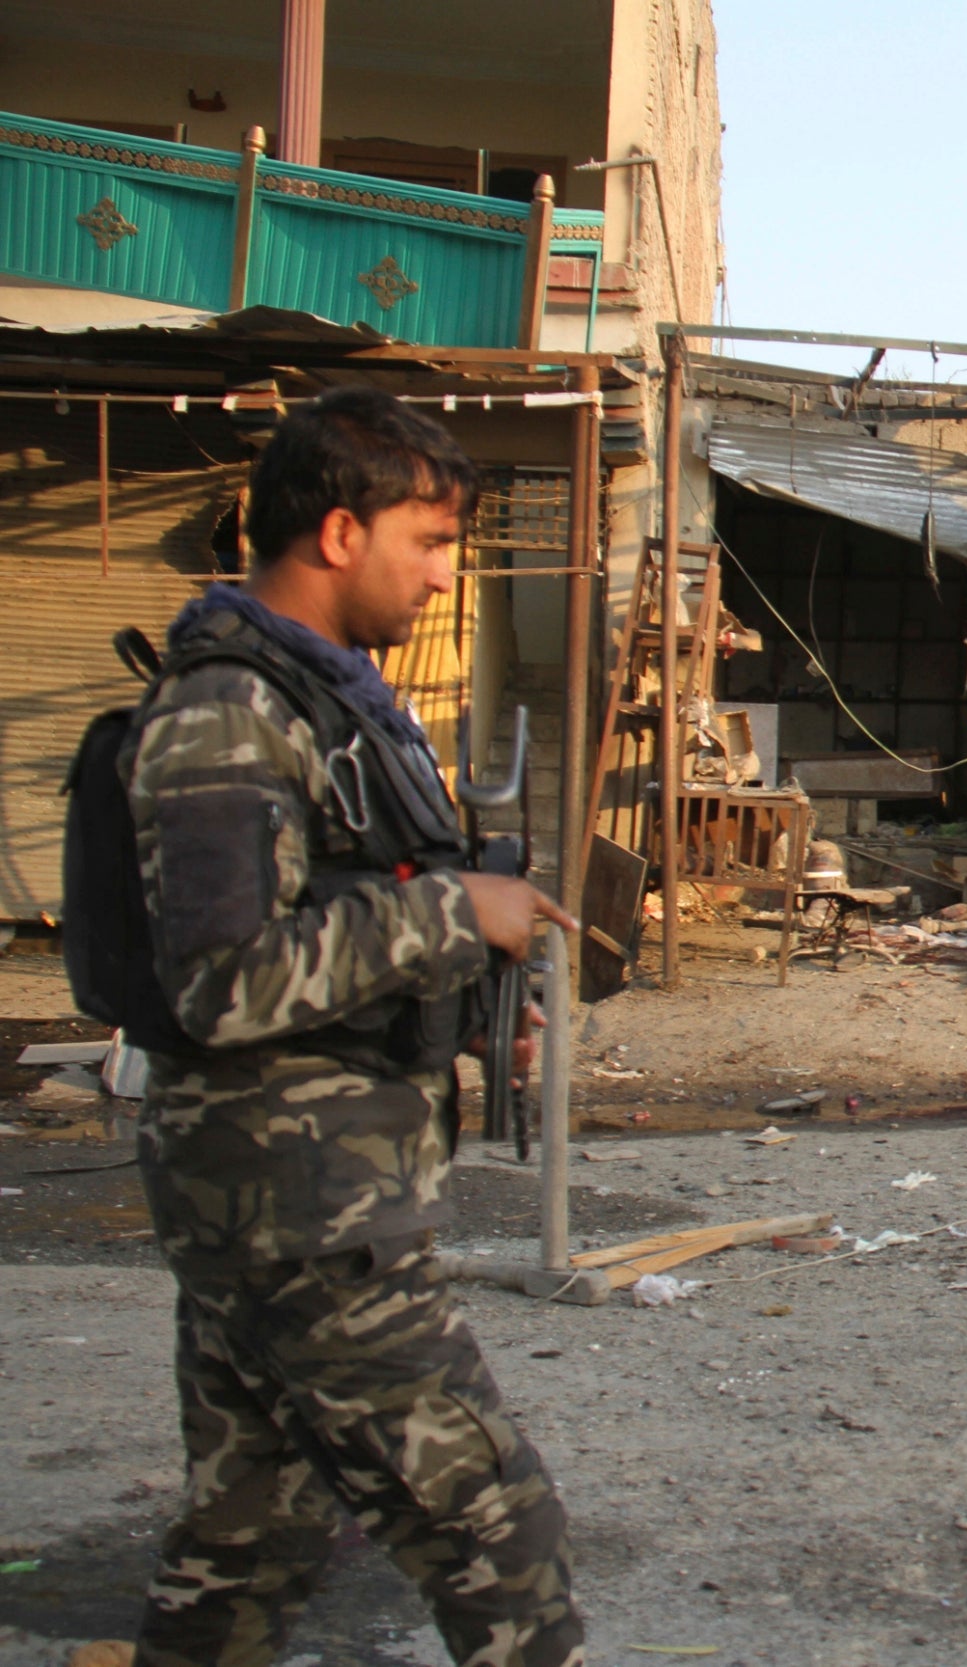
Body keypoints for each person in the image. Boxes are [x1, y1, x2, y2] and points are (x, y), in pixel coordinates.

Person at [122, 387, 584, 1667]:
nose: (444, 578)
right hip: (296, 1205)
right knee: (503, 1538)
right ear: (337, 532)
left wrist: (478, 1003)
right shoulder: (228, 709)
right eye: (428, 544)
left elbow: (342, 909)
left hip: (292, 1193)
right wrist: (452, 915)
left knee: (246, 1548)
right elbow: (222, 979)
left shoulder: (324, 700)